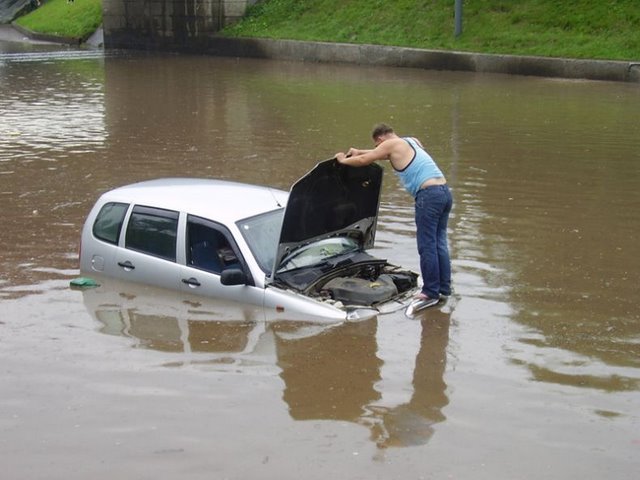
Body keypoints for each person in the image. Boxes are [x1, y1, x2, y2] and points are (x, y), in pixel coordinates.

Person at [335, 123, 452, 308]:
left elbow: (364, 161)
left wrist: (343, 160)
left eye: (376, 146)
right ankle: (444, 289)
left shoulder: (390, 145)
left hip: (428, 196)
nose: (378, 149)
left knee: (427, 245)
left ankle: (430, 293)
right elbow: (383, 153)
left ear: (380, 139)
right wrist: (359, 151)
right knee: (439, 243)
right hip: (444, 193)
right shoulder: (411, 141)